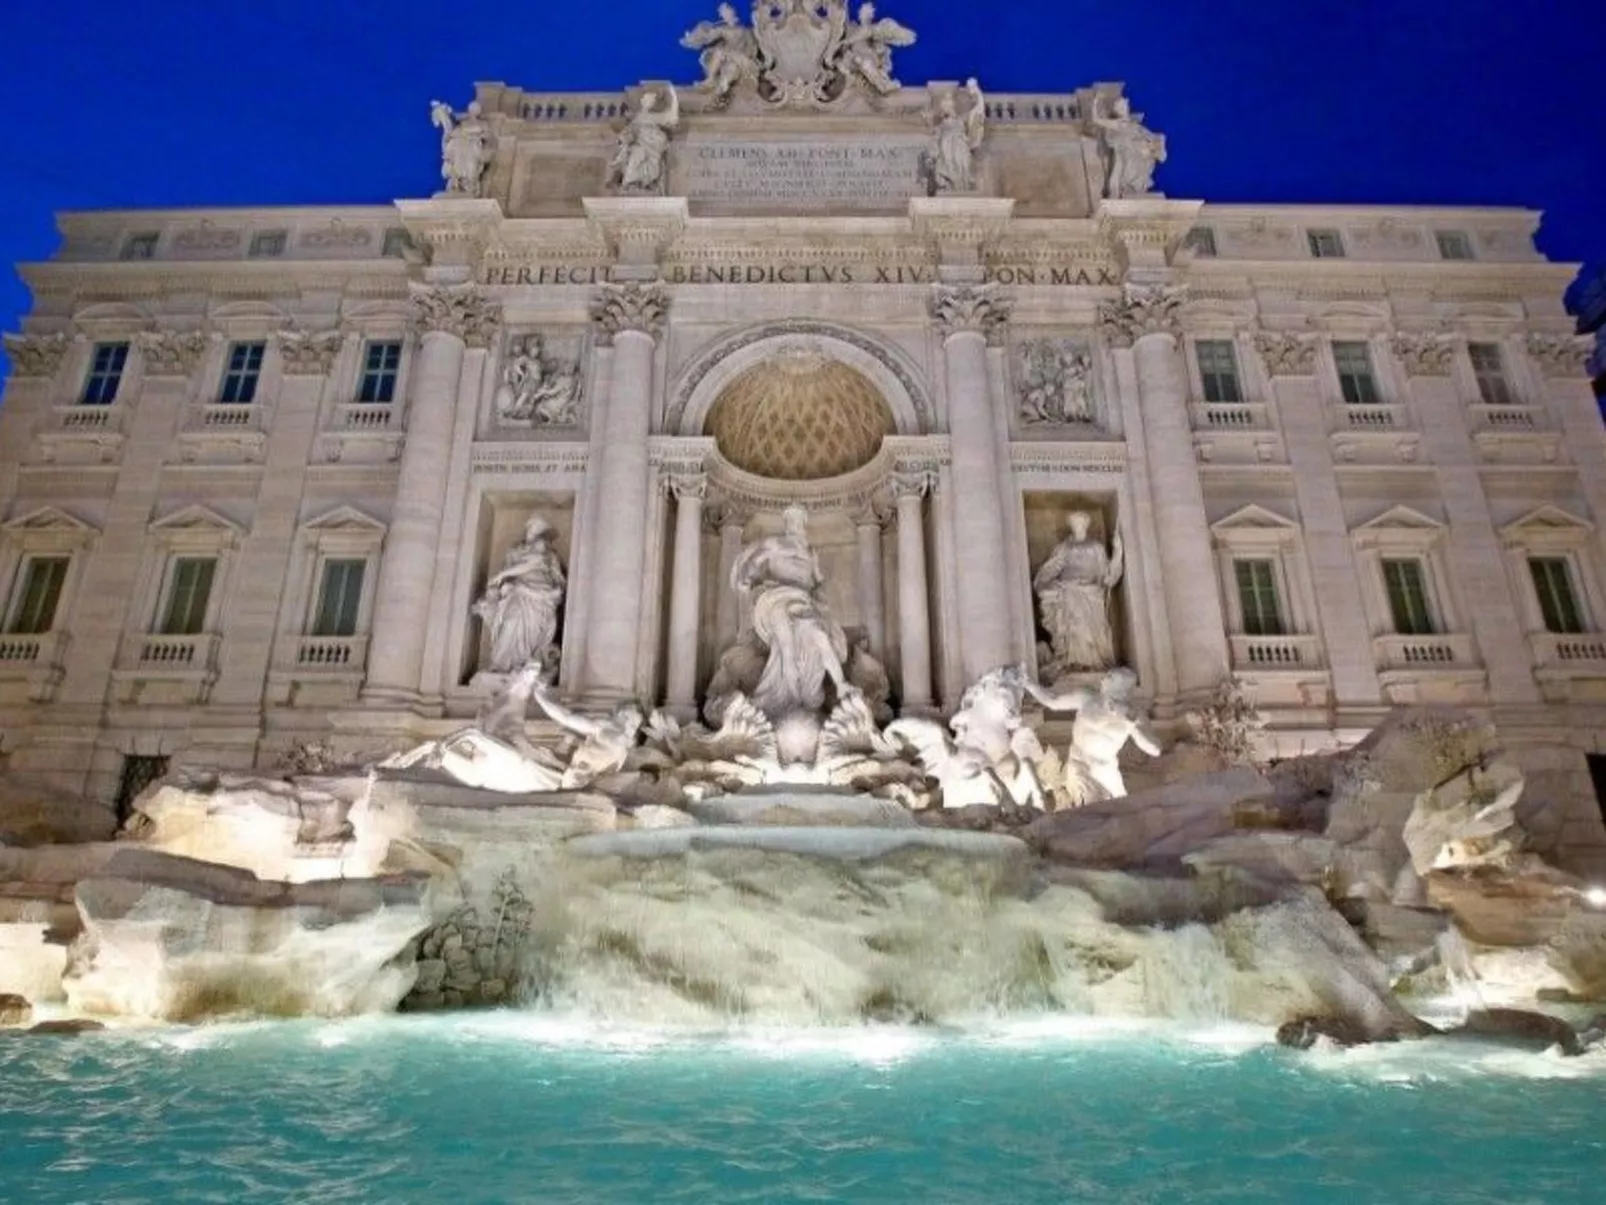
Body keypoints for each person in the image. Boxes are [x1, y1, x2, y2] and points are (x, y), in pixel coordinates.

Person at [1025, 668, 1160, 801]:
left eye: (1109, 677)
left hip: (1105, 767)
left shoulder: (1134, 713)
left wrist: (1133, 724)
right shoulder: (1087, 697)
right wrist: (1028, 684)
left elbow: (1155, 750)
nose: (1102, 680)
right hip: (1079, 760)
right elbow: (1052, 701)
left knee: (1118, 808)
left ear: (1122, 687)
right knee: (1092, 803)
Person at [1034, 511, 1123, 675]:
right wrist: (1044, 583)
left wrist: (1118, 551)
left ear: (1086, 525)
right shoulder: (1064, 547)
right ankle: (1072, 661)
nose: (1078, 526)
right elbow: (1052, 567)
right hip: (1069, 591)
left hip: (1091, 593)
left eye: (1081, 522)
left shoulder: (1097, 547)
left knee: (1091, 629)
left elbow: (1106, 575)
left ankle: (1094, 663)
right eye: (1075, 523)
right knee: (1073, 626)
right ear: (1071, 526)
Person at [472, 518, 566, 674]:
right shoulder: (514, 552)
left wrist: (502, 575)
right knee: (510, 623)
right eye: (532, 529)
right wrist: (501, 585)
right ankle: (500, 664)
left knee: (531, 631)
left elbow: (552, 575)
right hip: (518, 592)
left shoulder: (548, 555)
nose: (534, 534)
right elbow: (509, 571)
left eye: (538, 530)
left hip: (541, 596)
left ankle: (522, 665)